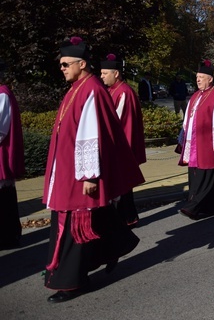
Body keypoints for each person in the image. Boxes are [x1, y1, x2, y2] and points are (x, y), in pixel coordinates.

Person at [43, 37, 144, 303]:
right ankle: (116, 245)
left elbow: (90, 135)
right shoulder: (79, 87)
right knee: (92, 219)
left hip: (80, 174)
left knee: (75, 225)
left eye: (66, 64)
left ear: (81, 63)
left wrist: (89, 175)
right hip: (69, 170)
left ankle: (73, 282)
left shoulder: (90, 90)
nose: (62, 68)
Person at [177, 60, 214, 220]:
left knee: (207, 177)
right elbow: (187, 121)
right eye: (197, 77)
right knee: (213, 179)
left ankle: (193, 206)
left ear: (210, 79)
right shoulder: (195, 96)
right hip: (195, 145)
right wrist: (182, 141)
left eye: (201, 77)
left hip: (209, 146)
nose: (198, 80)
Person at [100, 53, 146, 227]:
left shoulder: (124, 92)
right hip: (118, 146)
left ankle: (127, 217)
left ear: (116, 73)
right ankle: (127, 216)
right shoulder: (112, 91)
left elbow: (116, 122)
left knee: (123, 184)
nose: (102, 76)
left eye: (105, 73)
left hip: (122, 147)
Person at [0, 58, 24, 250]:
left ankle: (9, 237)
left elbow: (1, 129)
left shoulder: (2, 94)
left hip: (1, 154)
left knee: (4, 198)